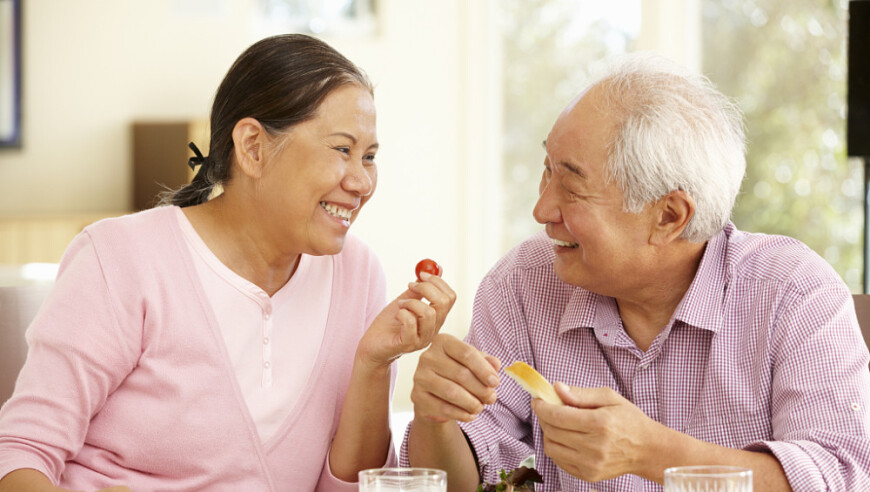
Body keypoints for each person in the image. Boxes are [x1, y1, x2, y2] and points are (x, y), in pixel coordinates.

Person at [0, 34, 456, 491]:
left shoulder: (358, 273)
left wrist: (373, 366)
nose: (362, 182)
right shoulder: (122, 258)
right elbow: (20, 455)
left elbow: (350, 486)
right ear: (253, 146)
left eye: (370, 157)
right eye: (342, 149)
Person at [403, 53, 870, 491]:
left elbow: (840, 476)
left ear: (668, 216)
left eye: (571, 184)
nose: (542, 209)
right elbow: (464, 480)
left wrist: (655, 454)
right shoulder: (522, 284)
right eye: (547, 171)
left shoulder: (793, 292)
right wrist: (435, 416)